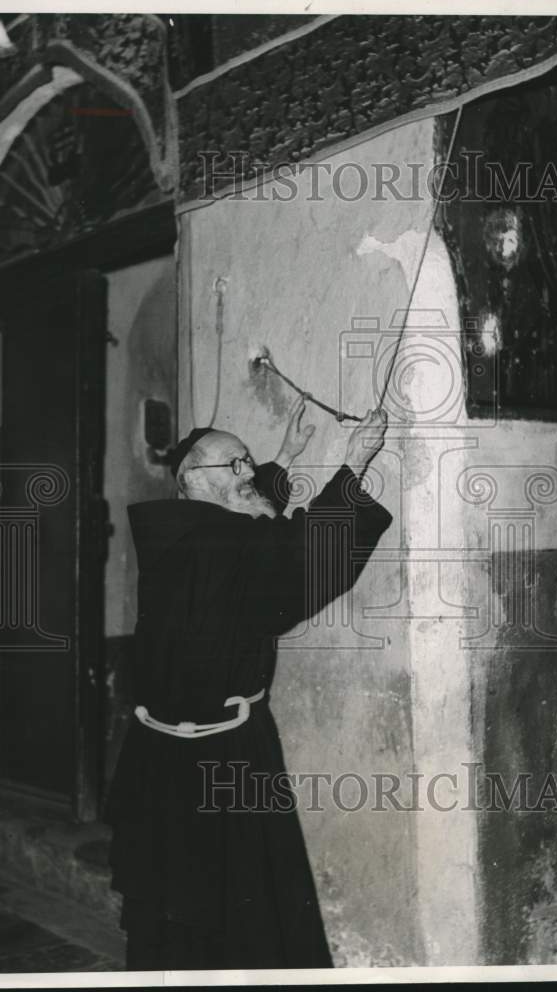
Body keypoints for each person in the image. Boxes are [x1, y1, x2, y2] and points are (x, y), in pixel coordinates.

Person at [104, 397, 390, 970]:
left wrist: (278, 463)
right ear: (192, 482)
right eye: (235, 466)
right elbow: (288, 560)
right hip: (225, 756)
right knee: (244, 918)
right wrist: (352, 465)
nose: (248, 476)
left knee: (181, 916)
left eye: (248, 464)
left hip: (167, 763)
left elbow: (249, 536)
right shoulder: (219, 547)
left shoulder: (182, 537)